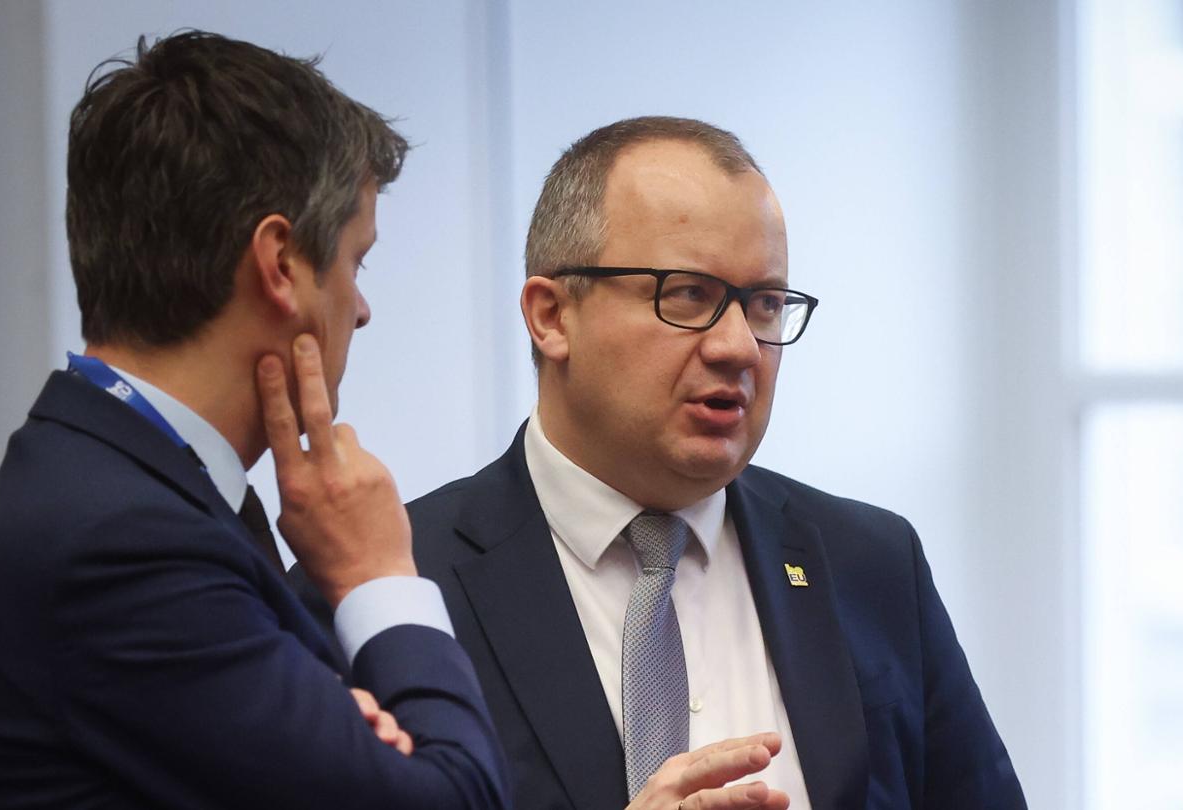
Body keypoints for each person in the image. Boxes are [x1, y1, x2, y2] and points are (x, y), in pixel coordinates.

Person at [405, 116, 1027, 810]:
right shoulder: (397, 585)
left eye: (763, 304)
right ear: (552, 316)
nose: (739, 347)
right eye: (689, 295)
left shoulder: (869, 562)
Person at [0, 31, 509, 808]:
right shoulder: (120, 541)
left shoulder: (136, 485)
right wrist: (380, 578)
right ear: (280, 266)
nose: (360, 309)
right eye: (354, 260)